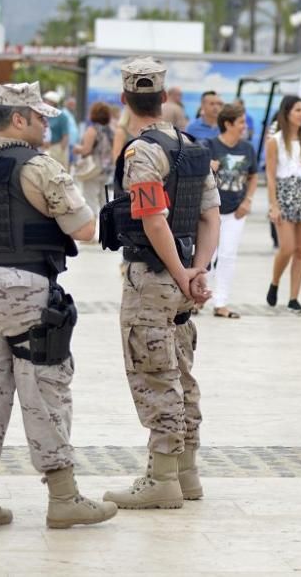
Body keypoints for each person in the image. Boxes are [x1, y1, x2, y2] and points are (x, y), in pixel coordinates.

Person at [0, 81, 116, 528]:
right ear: (19, 119)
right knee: (45, 387)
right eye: (41, 116)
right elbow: (83, 228)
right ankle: (63, 498)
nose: (48, 122)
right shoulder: (38, 165)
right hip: (22, 288)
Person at [102, 57, 221, 509]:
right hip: (185, 276)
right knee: (182, 372)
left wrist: (177, 270)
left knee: (156, 375)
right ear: (166, 97)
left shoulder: (142, 153)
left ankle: (163, 480)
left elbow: (153, 221)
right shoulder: (193, 149)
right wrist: (198, 269)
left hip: (153, 278)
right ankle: (187, 473)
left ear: (124, 98)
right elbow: (212, 217)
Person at [204, 103, 257, 319]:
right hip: (211, 211)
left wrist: (248, 201)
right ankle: (200, 297)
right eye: (241, 122)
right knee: (208, 255)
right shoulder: (209, 146)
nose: (244, 126)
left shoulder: (247, 148)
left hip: (236, 211)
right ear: (228, 124)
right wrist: (208, 166)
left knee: (227, 255)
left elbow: (253, 176)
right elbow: (195, 172)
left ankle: (221, 302)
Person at [264, 95, 301, 314]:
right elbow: (270, 174)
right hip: (284, 193)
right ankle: (275, 281)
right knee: (287, 247)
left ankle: (294, 297)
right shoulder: (274, 140)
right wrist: (273, 205)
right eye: (297, 110)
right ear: (287, 113)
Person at [71, 101, 115, 231]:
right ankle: (106, 232)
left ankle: (91, 231)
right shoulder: (110, 130)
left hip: (93, 169)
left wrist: (76, 148)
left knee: (90, 199)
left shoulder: (92, 130)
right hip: (107, 169)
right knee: (104, 201)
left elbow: (86, 150)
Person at [43, 91, 70, 170]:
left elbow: (65, 136)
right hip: (46, 148)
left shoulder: (61, 116)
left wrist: (61, 151)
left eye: (46, 101)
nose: (44, 102)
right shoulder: (44, 114)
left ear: (53, 103)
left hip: (57, 147)